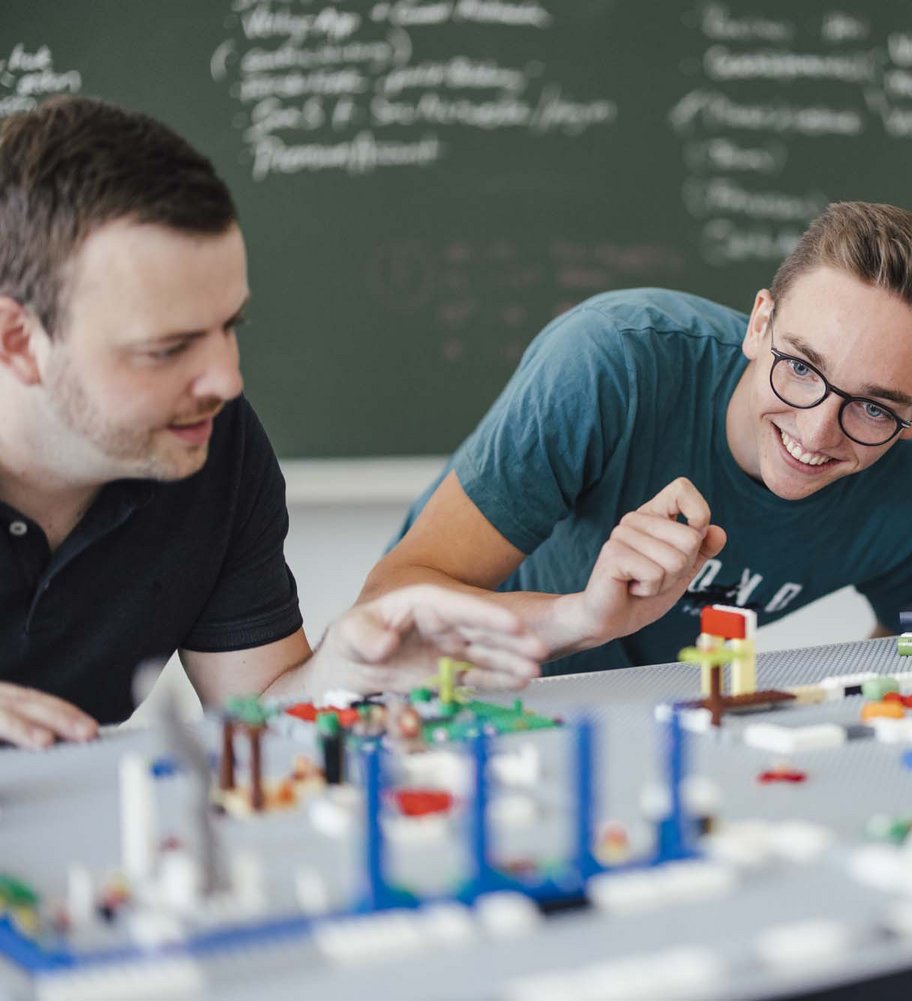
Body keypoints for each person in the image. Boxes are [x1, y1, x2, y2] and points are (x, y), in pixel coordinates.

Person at [0, 96, 544, 749]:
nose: (226, 380)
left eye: (231, 325)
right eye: (167, 349)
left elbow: (256, 707)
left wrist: (343, 666)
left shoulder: (210, 442)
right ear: (18, 340)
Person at [363, 202, 912, 676]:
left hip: (650, 722)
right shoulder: (609, 364)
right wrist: (580, 618)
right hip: (454, 692)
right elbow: (389, 603)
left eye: (872, 408)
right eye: (801, 369)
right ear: (760, 324)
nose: (815, 434)